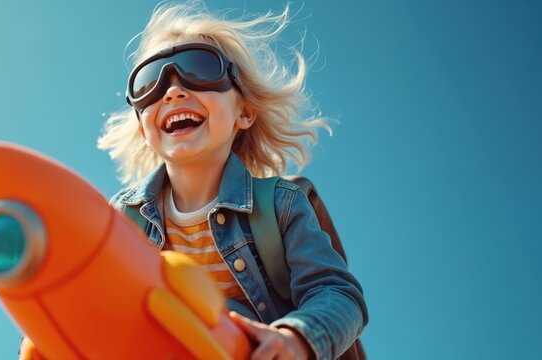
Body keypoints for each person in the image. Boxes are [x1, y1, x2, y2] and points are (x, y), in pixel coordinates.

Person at [98, 2, 368, 359]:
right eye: (151, 82)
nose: (173, 92)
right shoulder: (122, 219)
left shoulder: (281, 205)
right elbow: (100, 309)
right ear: (142, 123)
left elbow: (337, 292)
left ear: (244, 111)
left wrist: (295, 339)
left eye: (200, 69)